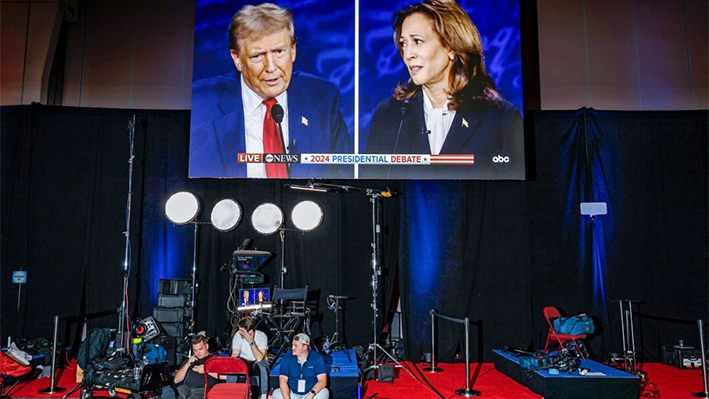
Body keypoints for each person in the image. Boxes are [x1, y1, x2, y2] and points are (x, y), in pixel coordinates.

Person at [363, 0, 524, 180]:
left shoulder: (501, 119)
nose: (408, 54)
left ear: (451, 47)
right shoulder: (388, 115)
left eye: (417, 41)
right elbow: (372, 188)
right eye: (404, 44)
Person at [189, 3, 353, 179]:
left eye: (279, 52)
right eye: (258, 56)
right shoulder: (202, 104)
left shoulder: (322, 98)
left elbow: (343, 176)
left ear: (293, 50)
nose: (271, 67)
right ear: (237, 58)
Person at [272, 333, 328, 399]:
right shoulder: (287, 358)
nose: (293, 348)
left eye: (296, 346)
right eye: (292, 345)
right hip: (292, 394)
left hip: (310, 394)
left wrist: (309, 396)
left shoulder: (317, 358)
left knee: (324, 392)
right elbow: (283, 381)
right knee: (276, 393)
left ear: (305, 347)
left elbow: (322, 381)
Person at [231, 316, 269, 399]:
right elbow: (235, 354)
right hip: (244, 360)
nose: (240, 332)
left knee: (261, 366)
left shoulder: (262, 336)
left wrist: (251, 342)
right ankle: (230, 393)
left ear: (250, 331)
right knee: (233, 364)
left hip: (257, 361)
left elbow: (260, 358)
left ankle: (263, 395)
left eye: (242, 331)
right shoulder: (238, 335)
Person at [173, 333, 218, 399]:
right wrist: (187, 364)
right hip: (186, 387)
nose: (198, 353)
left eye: (200, 349)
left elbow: (225, 377)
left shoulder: (215, 359)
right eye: (195, 350)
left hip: (202, 389)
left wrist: (206, 370)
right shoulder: (190, 360)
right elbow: (176, 380)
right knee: (177, 395)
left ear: (207, 346)